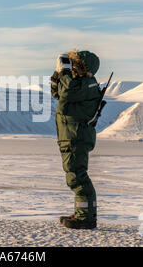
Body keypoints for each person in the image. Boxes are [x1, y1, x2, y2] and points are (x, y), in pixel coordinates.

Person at [50, 50, 101, 229]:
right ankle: (84, 214)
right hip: (70, 136)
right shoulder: (79, 84)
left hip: (76, 136)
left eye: (74, 63)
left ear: (83, 66)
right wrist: (58, 73)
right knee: (75, 175)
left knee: (77, 177)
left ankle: (85, 219)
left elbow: (67, 91)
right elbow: (56, 92)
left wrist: (64, 73)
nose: (72, 67)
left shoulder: (87, 85)